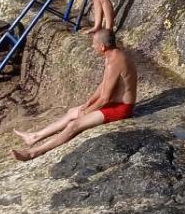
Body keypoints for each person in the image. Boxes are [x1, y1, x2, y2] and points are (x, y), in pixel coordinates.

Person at [12, 29, 137, 161]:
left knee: (74, 125)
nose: (92, 46)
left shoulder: (115, 62)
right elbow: (104, 83)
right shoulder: (112, 55)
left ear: (102, 47)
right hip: (113, 103)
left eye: (94, 43)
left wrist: (87, 112)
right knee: (73, 112)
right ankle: (34, 136)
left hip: (121, 108)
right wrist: (89, 101)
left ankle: (33, 153)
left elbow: (106, 98)